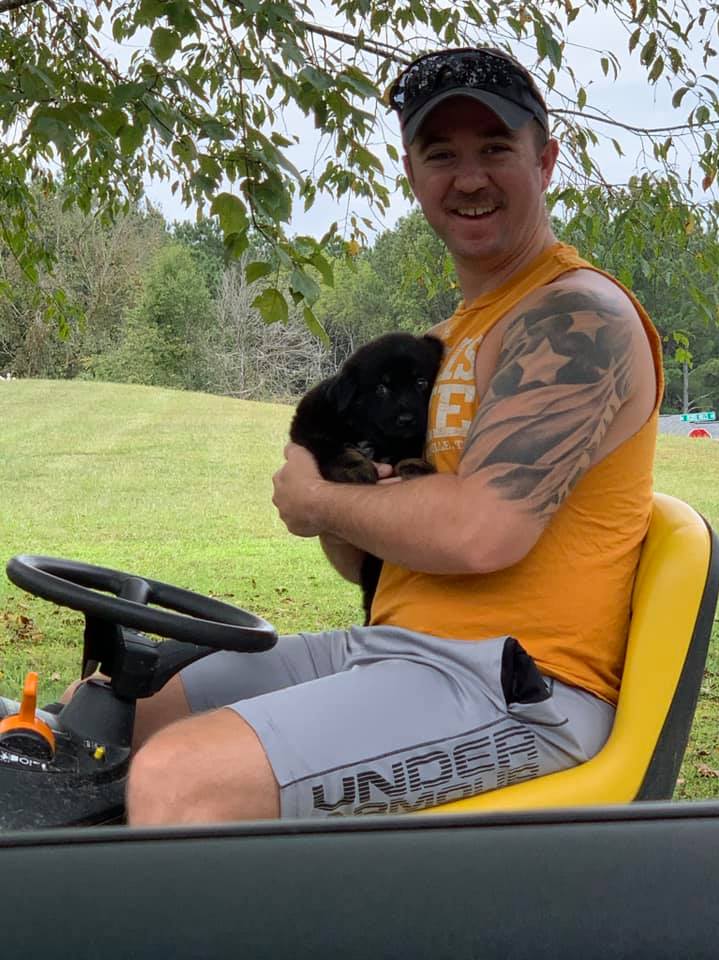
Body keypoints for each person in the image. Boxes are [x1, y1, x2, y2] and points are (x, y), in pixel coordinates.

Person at [124, 46, 662, 825]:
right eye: (441, 153)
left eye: (495, 149)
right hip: (394, 651)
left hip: (519, 687)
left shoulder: (576, 317)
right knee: (127, 706)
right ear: (411, 172)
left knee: (183, 778)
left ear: (545, 160)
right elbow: (364, 558)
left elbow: (482, 532)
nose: (468, 178)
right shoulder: (439, 344)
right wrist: (345, 494)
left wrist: (317, 500)